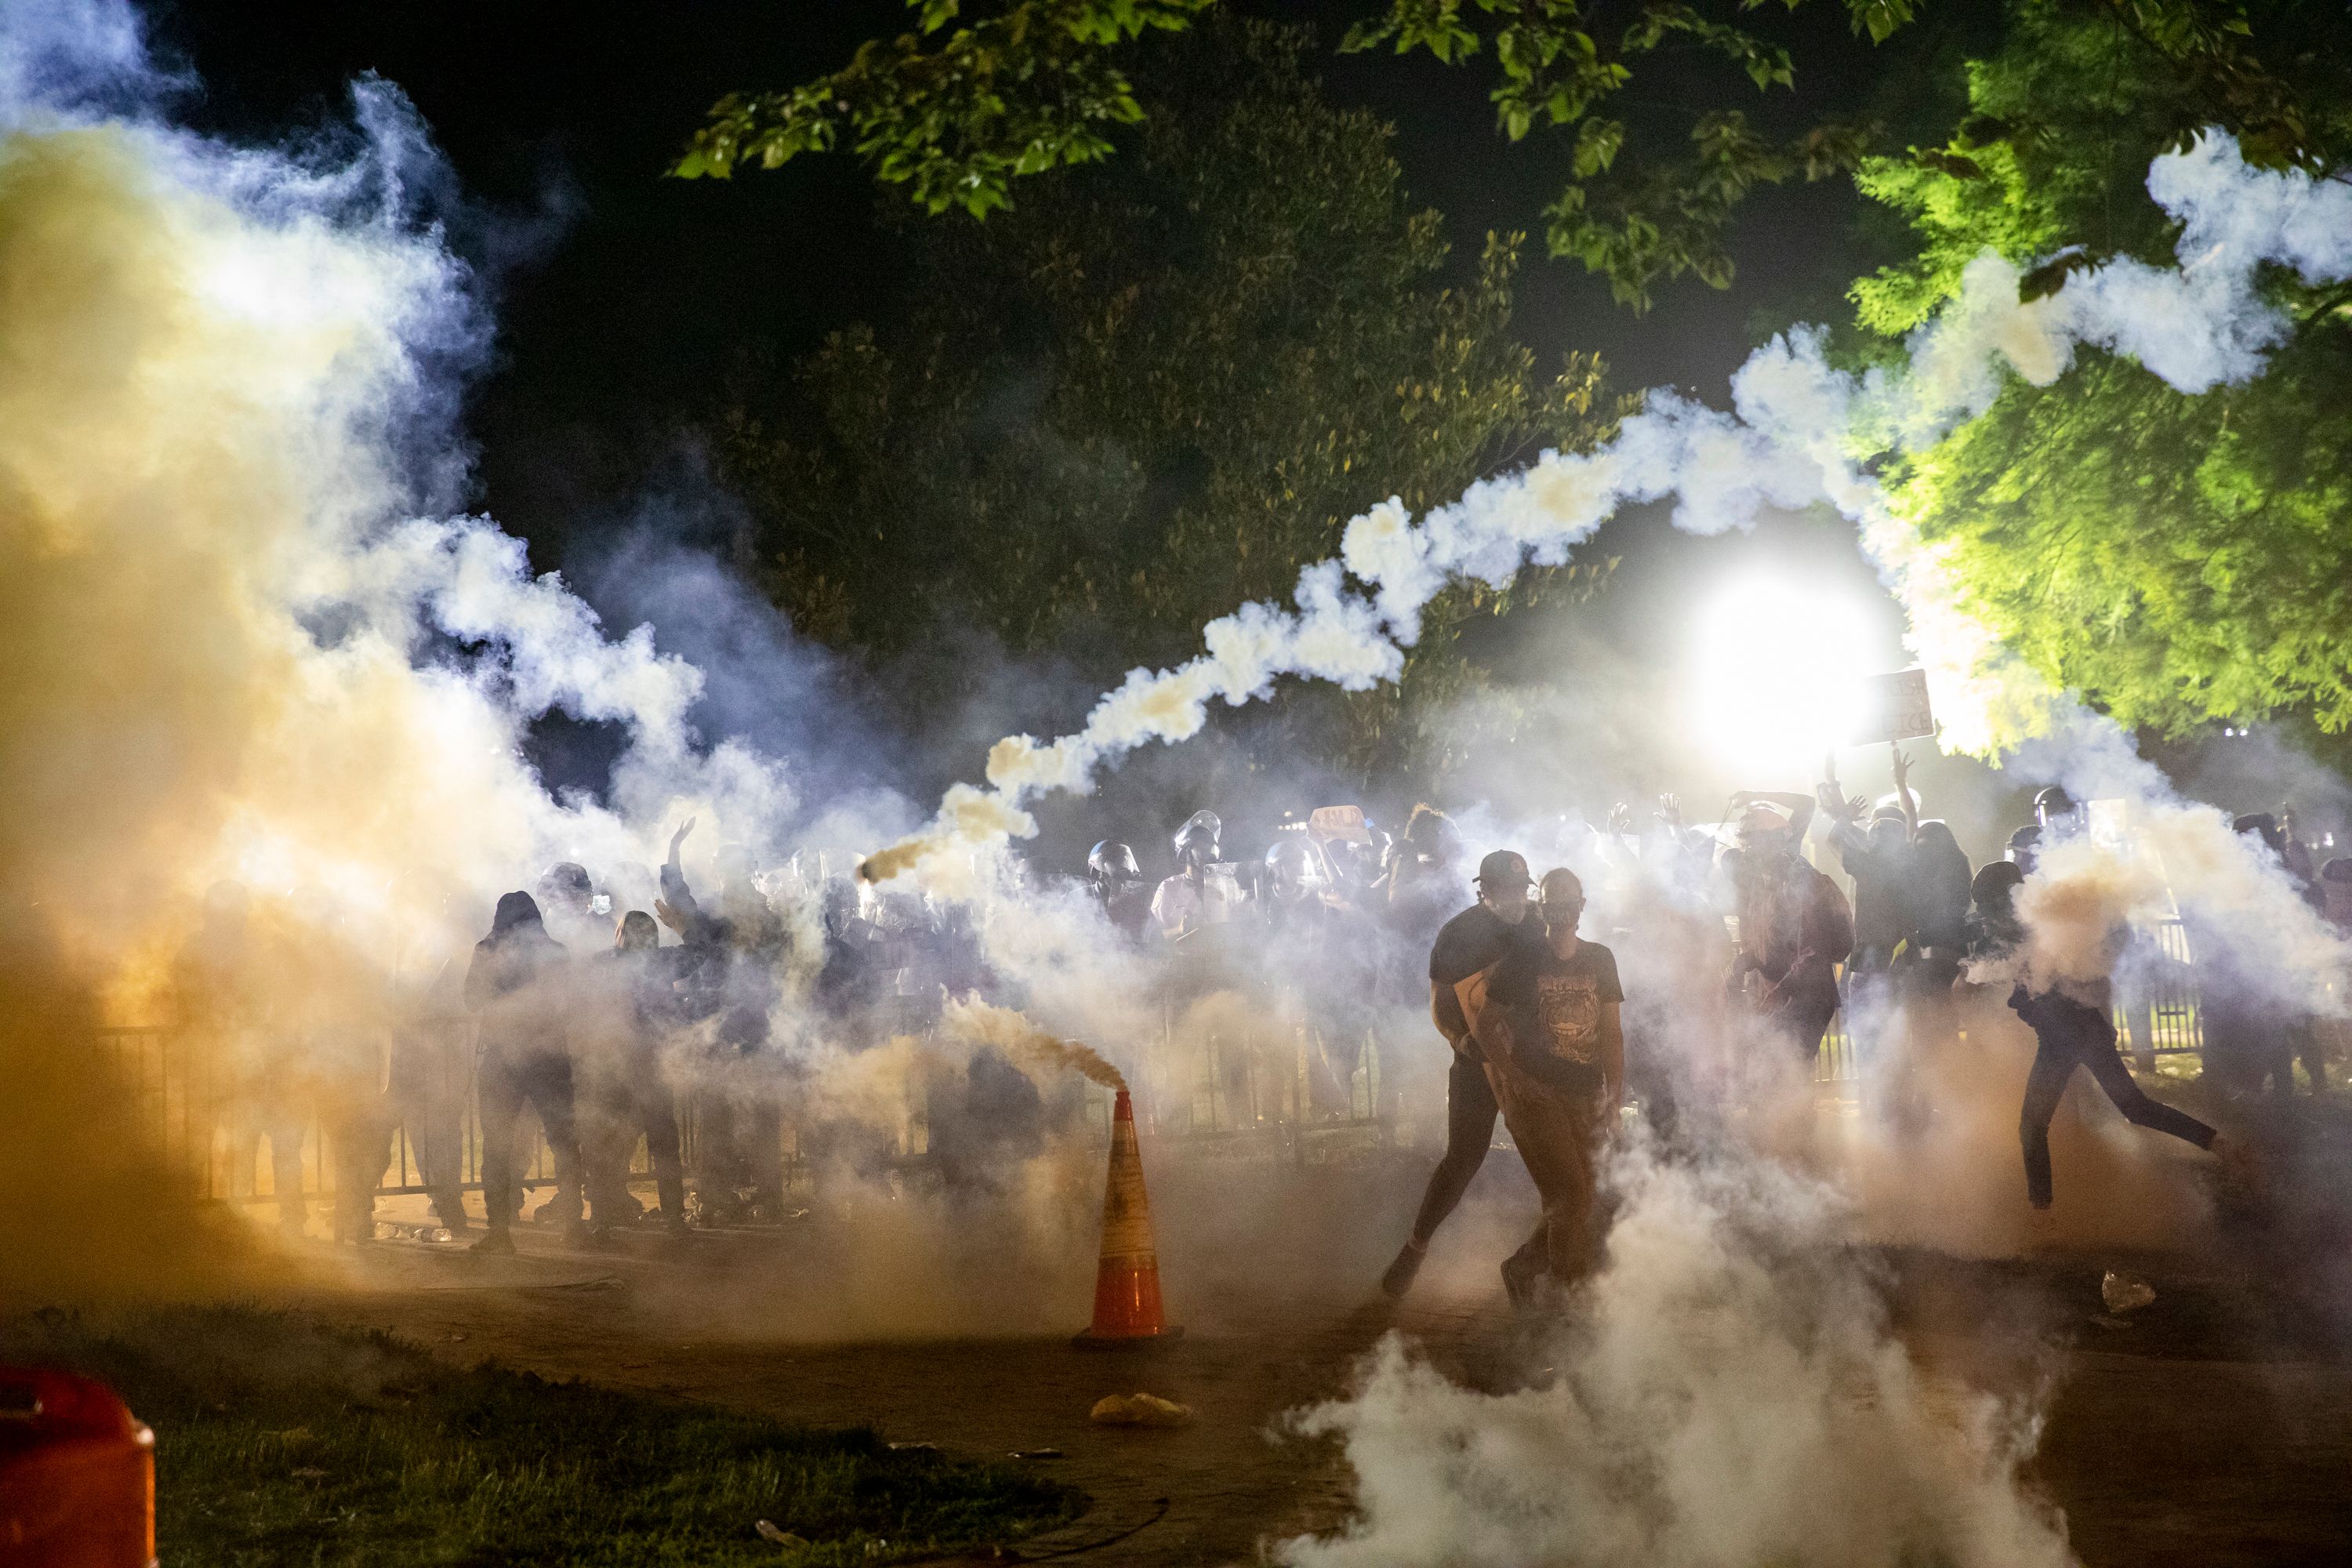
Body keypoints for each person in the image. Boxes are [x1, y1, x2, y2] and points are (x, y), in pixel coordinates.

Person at [1378, 848, 1542, 1298]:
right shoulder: (1460, 933)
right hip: (1475, 1061)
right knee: (1464, 1157)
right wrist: (1459, 1040)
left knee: (1550, 1158)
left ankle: (1536, 1261)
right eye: (1505, 891)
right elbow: (1439, 1003)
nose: (1516, 900)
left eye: (1521, 891)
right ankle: (1416, 1247)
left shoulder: (1537, 924)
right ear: (1484, 890)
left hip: (1531, 1060)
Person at [1463, 868, 1624, 1302]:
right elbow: (1485, 1023)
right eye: (1552, 900)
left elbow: (1611, 1033)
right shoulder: (1524, 960)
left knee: (1581, 1197)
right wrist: (1513, 1077)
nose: (1562, 908)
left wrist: (1614, 1097)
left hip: (1586, 1092)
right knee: (1571, 1194)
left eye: (1570, 899)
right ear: (1543, 906)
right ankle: (1569, 1300)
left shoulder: (1601, 958)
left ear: (1583, 905)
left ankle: (1522, 1268)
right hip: (1538, 1093)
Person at [464, 890, 583, 1254]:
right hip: (549, 1057)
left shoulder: (487, 950)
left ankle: (499, 1232)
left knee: (497, 1147)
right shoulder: (556, 952)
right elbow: (570, 1000)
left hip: (503, 1059)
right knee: (563, 1141)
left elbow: (471, 999)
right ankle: (574, 1226)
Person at [575, 910, 688, 1236]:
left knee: (610, 1146)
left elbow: (575, 1000)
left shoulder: (600, 963)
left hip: (614, 1067)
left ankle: (603, 1218)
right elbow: (701, 950)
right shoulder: (660, 962)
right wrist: (681, 925)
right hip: (647, 1067)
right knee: (663, 1145)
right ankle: (673, 1219)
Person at [1725, 793, 1851, 1063]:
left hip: (1804, 997)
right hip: (1781, 996)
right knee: (1779, 1080)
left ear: (1770, 841)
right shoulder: (1761, 880)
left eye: (1751, 842)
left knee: (1786, 1077)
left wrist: (1757, 794)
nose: (1746, 851)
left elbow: (1813, 949)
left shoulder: (1798, 879)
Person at [1087, 840, 1154, 940]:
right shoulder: (1079, 899)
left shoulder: (1134, 901)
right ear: (1098, 874)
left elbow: (1151, 936)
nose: (1123, 880)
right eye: (1117, 876)